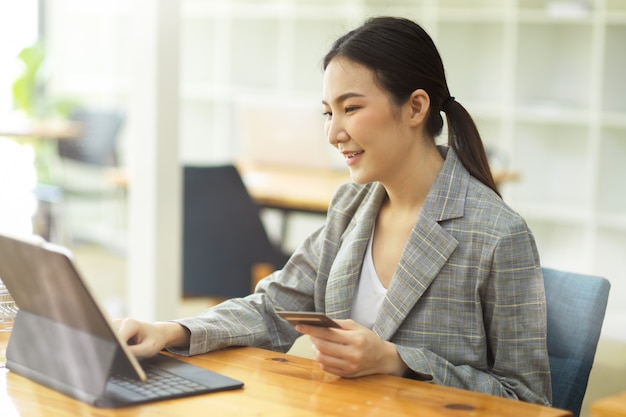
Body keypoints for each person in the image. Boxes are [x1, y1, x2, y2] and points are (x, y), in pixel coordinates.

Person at [115, 16, 551, 405]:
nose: (333, 132)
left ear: (416, 107)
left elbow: (529, 399)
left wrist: (399, 361)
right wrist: (170, 331)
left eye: (351, 108)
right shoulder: (352, 205)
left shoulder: (497, 233)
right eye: (328, 112)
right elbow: (274, 307)